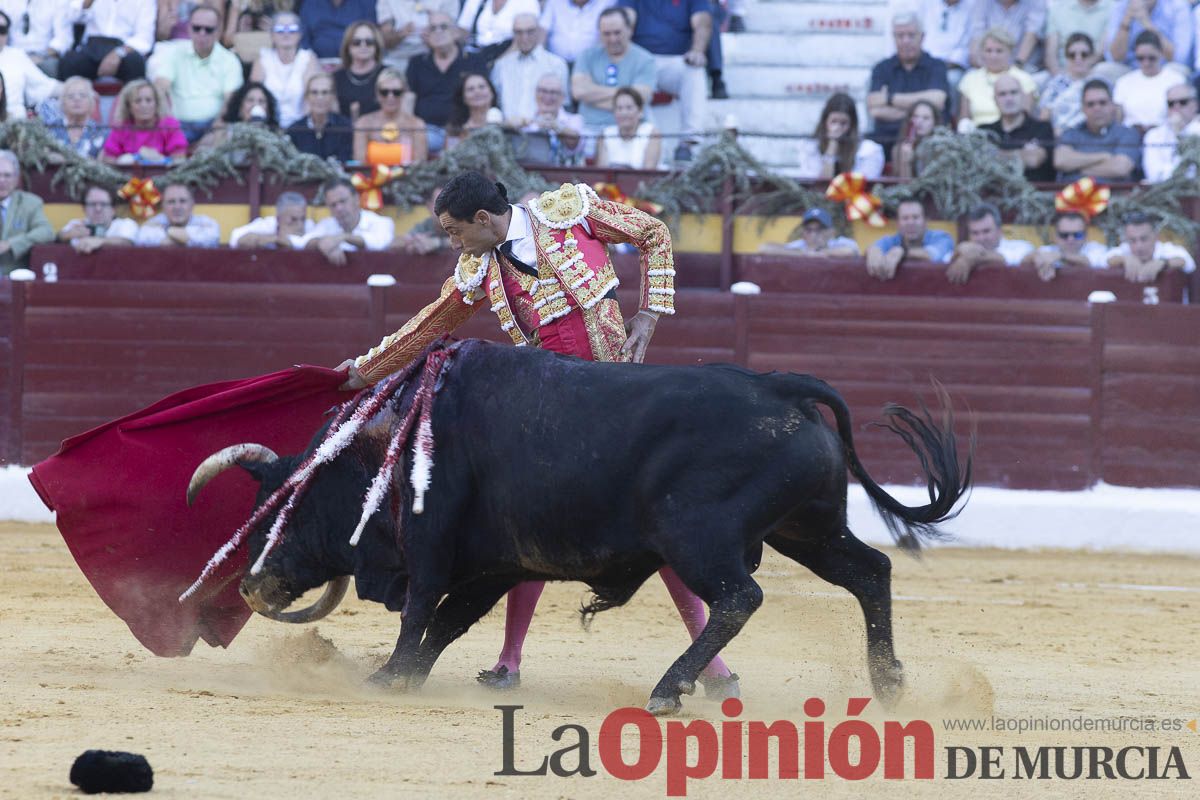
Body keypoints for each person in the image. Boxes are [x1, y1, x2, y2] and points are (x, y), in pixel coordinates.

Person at [337, 171, 740, 699]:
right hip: (553, 416)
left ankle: (715, 668)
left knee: (659, 526)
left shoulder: (569, 213)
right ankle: (508, 663)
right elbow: (431, 322)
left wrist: (649, 312)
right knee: (525, 528)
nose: (453, 243)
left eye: (456, 231)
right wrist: (365, 371)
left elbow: (654, 234)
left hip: (619, 402)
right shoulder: (479, 268)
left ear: (484, 219)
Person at [617, 0, 711, 156]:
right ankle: (643, 145)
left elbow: (702, 21)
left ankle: (689, 142)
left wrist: (697, 50)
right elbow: (626, 18)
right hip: (639, 58)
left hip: (675, 60)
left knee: (694, 71)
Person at [148, 5, 245, 143]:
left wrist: (217, 128)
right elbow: (160, 88)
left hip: (213, 126)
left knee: (222, 136)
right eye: (197, 28)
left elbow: (230, 101)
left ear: (218, 31)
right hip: (177, 125)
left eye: (208, 29)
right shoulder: (173, 53)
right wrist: (167, 122)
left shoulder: (229, 60)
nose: (202, 34)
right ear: (189, 28)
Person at [404, 11, 487, 154]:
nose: (438, 32)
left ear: (455, 32)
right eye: (433, 28)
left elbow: (486, 97)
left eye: (443, 27)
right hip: (428, 131)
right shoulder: (416, 63)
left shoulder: (474, 61)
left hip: (465, 130)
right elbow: (408, 100)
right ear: (426, 35)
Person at [867, 12, 949, 155]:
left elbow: (938, 101)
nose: (905, 41)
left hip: (929, 139)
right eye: (900, 36)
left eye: (911, 35)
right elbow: (875, 109)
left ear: (922, 37)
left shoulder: (936, 66)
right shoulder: (882, 68)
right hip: (887, 137)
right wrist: (922, 113)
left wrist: (889, 99)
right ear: (893, 38)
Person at [572, 7, 655, 136]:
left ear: (630, 30)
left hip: (632, 131)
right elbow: (578, 91)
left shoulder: (645, 59)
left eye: (617, 33)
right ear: (599, 33)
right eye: (606, 33)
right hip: (590, 128)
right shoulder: (586, 56)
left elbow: (641, 97)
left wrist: (591, 96)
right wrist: (626, 96)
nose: (612, 39)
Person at [1053, 79, 1141, 182]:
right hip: (1072, 195)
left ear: (1112, 106)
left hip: (1115, 196)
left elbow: (1120, 168)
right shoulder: (1071, 133)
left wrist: (1075, 168)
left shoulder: (1127, 134)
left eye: (1102, 103)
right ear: (1083, 108)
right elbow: (1061, 161)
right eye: (1090, 104)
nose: (1097, 108)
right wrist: (1104, 156)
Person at [490, 13, 569, 124]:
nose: (524, 37)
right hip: (509, 131)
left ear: (538, 31)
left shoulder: (557, 64)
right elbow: (495, 102)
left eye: (530, 31)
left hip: (543, 131)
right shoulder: (502, 65)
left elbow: (563, 103)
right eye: (519, 32)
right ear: (513, 33)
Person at [249, 11, 320, 129]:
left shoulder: (308, 58)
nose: (286, 34)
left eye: (292, 29)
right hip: (267, 126)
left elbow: (311, 100)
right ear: (271, 35)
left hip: (300, 128)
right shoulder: (262, 58)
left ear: (300, 34)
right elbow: (254, 98)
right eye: (280, 29)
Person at [300, 177, 395, 265]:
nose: (339, 208)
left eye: (343, 201)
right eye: (333, 205)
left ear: (357, 199)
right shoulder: (326, 224)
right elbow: (303, 243)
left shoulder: (382, 222)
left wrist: (342, 238)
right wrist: (321, 242)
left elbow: (379, 243)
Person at [56, 0, 155, 82]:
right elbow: (71, 16)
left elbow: (145, 38)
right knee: (69, 61)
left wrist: (118, 53)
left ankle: (129, 105)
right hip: (92, 47)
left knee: (135, 63)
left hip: (124, 49)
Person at [980, 74, 1054, 181]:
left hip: (1034, 193)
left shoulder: (1042, 128)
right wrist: (1022, 153)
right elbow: (978, 161)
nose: (1009, 99)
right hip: (992, 194)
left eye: (1014, 92)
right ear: (995, 100)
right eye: (1002, 94)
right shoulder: (984, 131)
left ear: (1023, 97)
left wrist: (994, 154)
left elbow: (1033, 160)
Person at [957, 27, 1036, 127]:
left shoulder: (1024, 78)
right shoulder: (970, 79)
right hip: (978, 136)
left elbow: (1025, 116)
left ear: (1010, 52)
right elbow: (964, 119)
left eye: (999, 51)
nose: (993, 56)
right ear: (981, 53)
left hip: (1012, 135)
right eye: (988, 51)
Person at [797, 93, 884, 180]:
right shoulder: (810, 147)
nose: (837, 128)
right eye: (833, 121)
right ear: (825, 121)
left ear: (852, 125)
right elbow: (818, 183)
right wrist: (832, 148)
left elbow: (864, 181)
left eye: (843, 123)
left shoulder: (869, 150)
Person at [101, 79, 189, 164]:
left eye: (149, 100)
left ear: (156, 104)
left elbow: (179, 160)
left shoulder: (170, 125)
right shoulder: (121, 127)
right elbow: (109, 161)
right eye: (137, 101)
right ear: (129, 106)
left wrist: (160, 159)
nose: (143, 105)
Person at [865, 198, 955, 280]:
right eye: (905, 218)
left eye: (915, 217)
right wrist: (873, 251)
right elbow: (875, 248)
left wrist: (903, 252)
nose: (910, 223)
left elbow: (933, 255)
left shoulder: (942, 238)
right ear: (898, 224)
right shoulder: (891, 240)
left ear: (925, 221)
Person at [353, 68, 428, 165]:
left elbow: (420, 165)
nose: (390, 96)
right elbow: (359, 163)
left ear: (404, 93)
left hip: (407, 179)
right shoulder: (363, 123)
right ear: (377, 94)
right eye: (384, 92)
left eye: (396, 92)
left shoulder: (417, 125)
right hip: (370, 179)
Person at [946, 201, 1034, 283]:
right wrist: (959, 251)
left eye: (986, 231)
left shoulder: (1021, 247)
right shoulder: (964, 251)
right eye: (975, 233)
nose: (981, 238)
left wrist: (971, 258)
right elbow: (946, 260)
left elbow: (1007, 259)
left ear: (999, 231)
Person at [1112, 31, 1183, 132]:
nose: (1146, 63)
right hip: (1131, 137)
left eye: (1151, 58)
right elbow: (1118, 120)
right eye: (1141, 58)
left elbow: (1180, 116)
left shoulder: (1176, 80)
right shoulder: (1124, 82)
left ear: (1161, 53)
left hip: (1164, 136)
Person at [507, 72, 584, 165]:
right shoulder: (525, 118)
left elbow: (573, 141)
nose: (548, 96)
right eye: (543, 91)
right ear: (535, 94)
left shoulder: (574, 120)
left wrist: (555, 126)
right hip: (530, 173)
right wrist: (530, 122)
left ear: (562, 97)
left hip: (564, 175)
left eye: (553, 92)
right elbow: (506, 125)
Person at [0, 149, 54, 275]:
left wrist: (11, 244)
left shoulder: (30, 203)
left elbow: (46, 232)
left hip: (15, 279)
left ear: (16, 178)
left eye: (7, 175)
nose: (2, 180)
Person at [0, 9, 61, 119]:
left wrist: (77, 88)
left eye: (2, 30)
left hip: (14, 125)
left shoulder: (16, 56)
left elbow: (45, 87)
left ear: (7, 34)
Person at [1105, 211, 1196, 282]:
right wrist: (1125, 259)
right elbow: (1106, 259)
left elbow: (1187, 261)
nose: (1139, 246)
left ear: (1156, 237)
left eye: (1144, 239)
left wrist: (1163, 263)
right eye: (1133, 240)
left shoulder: (1166, 249)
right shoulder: (1125, 249)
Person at [1105, 0, 1192, 71]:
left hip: (1163, 67)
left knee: (1177, 69)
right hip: (1130, 68)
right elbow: (1114, 58)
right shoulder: (1120, 6)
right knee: (1106, 70)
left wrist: (1146, 22)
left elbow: (1178, 58)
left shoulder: (1178, 6)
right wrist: (1127, 20)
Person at [1037, 32, 1096, 135]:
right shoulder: (1056, 84)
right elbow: (1044, 116)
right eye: (1072, 55)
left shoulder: (1099, 83)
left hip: (1090, 138)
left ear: (1092, 56)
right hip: (1059, 137)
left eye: (1084, 54)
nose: (1078, 59)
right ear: (1066, 57)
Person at [194, 81, 281, 151]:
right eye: (250, 100)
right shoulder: (223, 133)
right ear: (239, 108)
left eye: (261, 101)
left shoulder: (276, 136)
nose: (256, 105)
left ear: (268, 110)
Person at [1020, 211, 1108, 280]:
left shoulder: (1096, 249)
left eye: (1077, 235)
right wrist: (1036, 257)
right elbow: (1023, 260)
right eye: (1064, 235)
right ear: (1055, 236)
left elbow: (1088, 261)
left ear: (1086, 235)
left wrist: (1060, 256)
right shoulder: (1049, 250)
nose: (1071, 239)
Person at [287, 72, 354, 161]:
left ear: (333, 96)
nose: (320, 97)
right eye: (314, 92)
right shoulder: (294, 130)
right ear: (307, 96)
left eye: (325, 92)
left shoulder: (346, 127)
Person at [377, 0, 459, 72]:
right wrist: (400, 34)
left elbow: (456, 36)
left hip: (433, 57)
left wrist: (434, 39)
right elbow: (384, 41)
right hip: (398, 58)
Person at [57, 184, 139, 254]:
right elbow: (58, 238)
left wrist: (100, 241)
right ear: (84, 208)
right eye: (92, 204)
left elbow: (127, 242)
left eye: (103, 204)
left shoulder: (125, 224)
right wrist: (67, 235)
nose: (98, 209)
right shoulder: (77, 224)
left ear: (113, 209)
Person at [1142, 83, 1200, 182]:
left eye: (1183, 102)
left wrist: (1179, 135)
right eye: (1171, 103)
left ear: (1195, 105)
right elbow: (1154, 174)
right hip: (1163, 193)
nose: (1176, 107)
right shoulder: (1154, 135)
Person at [37, 76, 106, 159]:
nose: (77, 99)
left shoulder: (100, 131)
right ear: (62, 103)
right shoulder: (49, 129)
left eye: (82, 95)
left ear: (91, 102)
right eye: (70, 96)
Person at [968, 0, 1046, 72]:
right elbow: (977, 34)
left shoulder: (1036, 2)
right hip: (987, 65)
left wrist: (1017, 65)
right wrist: (981, 65)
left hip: (1023, 65)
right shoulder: (982, 2)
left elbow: (1032, 33)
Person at [135, 183, 221, 247]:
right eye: (171, 202)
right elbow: (143, 238)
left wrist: (168, 231)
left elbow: (211, 239)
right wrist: (187, 239)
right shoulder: (151, 224)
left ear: (192, 204)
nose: (177, 207)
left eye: (183, 201)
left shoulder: (208, 223)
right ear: (163, 206)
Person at [595, 86, 659, 168]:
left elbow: (649, 173)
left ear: (640, 111)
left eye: (629, 108)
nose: (624, 113)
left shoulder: (651, 133)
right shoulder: (606, 134)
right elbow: (601, 173)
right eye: (619, 108)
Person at [540, 0, 617, 69]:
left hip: (591, 65)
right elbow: (542, 32)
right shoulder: (554, 2)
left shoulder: (607, 3)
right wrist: (541, 61)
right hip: (556, 65)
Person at [1043, 0, 1111, 78]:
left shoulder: (1112, 8)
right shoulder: (1057, 7)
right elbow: (1051, 53)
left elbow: (1102, 50)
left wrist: (1080, 69)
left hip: (1095, 73)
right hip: (1061, 72)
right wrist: (1059, 77)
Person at [334, 21, 385, 122]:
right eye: (357, 42)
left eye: (369, 42)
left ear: (377, 45)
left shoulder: (387, 74)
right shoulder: (337, 78)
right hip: (345, 134)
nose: (363, 46)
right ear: (348, 46)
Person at [758, 208, 859, 258]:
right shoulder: (800, 245)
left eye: (819, 229)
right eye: (809, 229)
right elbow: (764, 248)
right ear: (803, 232)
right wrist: (803, 253)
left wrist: (821, 252)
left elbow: (851, 251)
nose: (813, 234)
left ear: (831, 232)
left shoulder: (839, 243)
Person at [457, 0, 541, 58]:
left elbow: (526, 39)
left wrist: (498, 63)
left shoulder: (527, 2)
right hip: (477, 54)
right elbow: (463, 30)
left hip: (509, 54)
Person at [230, 191, 313, 248]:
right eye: (293, 219)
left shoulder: (310, 225)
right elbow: (235, 237)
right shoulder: (267, 224)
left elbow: (306, 242)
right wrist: (266, 239)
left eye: (303, 219)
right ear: (278, 218)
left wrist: (285, 240)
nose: (300, 225)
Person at [299, 0, 377, 60]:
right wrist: (311, 62)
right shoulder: (310, 3)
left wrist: (349, 62)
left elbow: (371, 36)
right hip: (318, 64)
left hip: (356, 62)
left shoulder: (366, 3)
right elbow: (304, 40)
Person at [444, 71, 500, 144]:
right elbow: (450, 154)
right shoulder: (455, 129)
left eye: (481, 87)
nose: (477, 91)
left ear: (492, 93)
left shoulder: (505, 124)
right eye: (470, 89)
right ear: (463, 98)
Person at [391, 186, 450, 254]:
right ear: (429, 206)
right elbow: (394, 244)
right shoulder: (426, 225)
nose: (445, 210)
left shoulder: (461, 222)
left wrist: (438, 243)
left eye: (450, 204)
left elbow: (464, 242)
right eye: (440, 204)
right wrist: (412, 242)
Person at [893, 99, 940, 178]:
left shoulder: (941, 148)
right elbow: (904, 186)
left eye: (926, 118)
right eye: (915, 116)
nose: (919, 121)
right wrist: (906, 163)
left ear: (935, 122)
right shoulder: (899, 149)